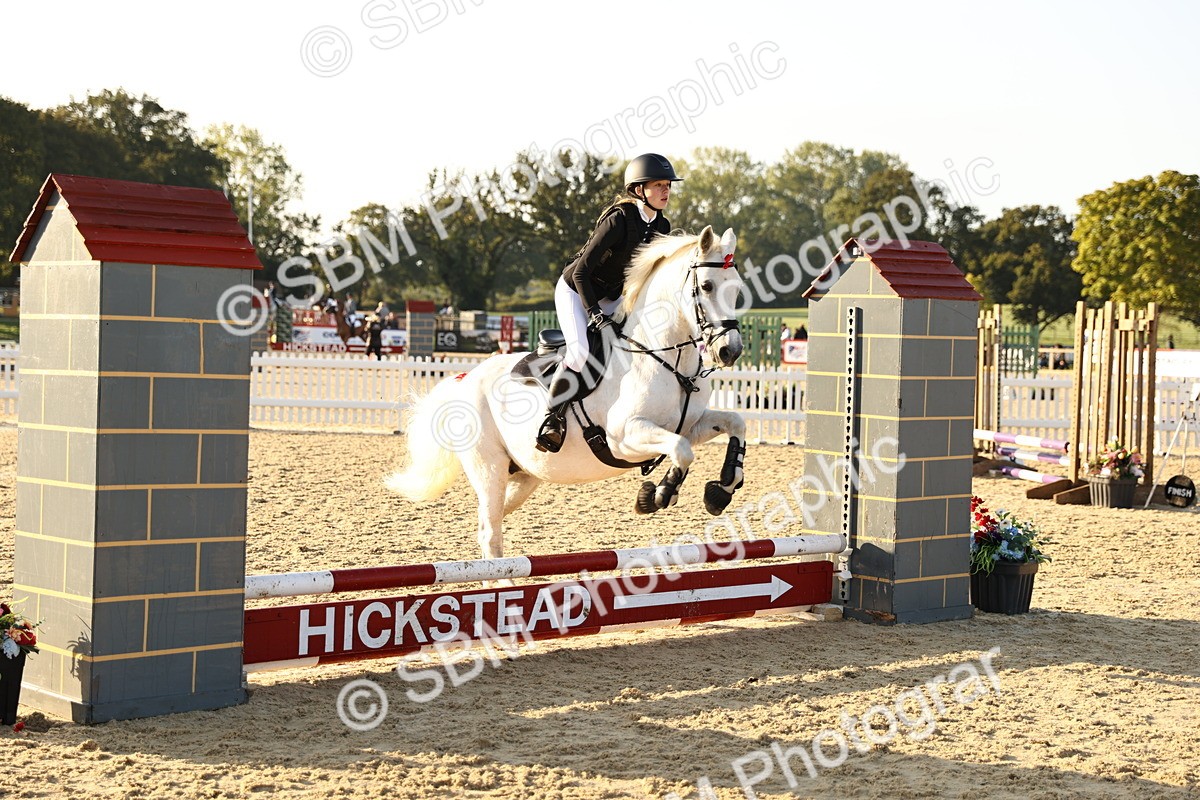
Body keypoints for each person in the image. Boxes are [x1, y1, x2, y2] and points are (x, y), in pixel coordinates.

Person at [535, 153, 683, 453]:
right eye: (659, 185)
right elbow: (580, 272)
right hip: (576, 291)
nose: (666, 191)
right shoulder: (619, 219)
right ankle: (552, 419)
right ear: (640, 189)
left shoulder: (662, 226)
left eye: (668, 185)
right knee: (579, 353)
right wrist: (595, 314)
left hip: (614, 296)